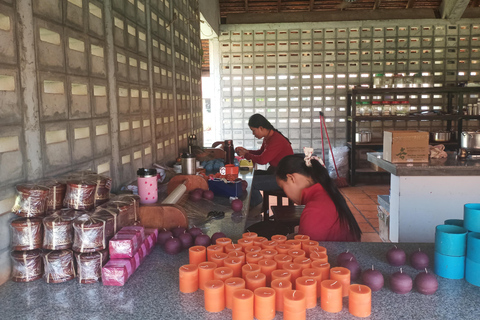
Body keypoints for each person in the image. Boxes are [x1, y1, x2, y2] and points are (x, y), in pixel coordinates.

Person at [275, 153, 362, 242]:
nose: (286, 194)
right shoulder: (326, 192)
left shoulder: (315, 209)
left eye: (282, 187)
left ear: (291, 178)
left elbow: (308, 250)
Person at [235, 114, 294, 208]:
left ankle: (258, 206)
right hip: (275, 172)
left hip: (283, 178)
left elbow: (263, 160)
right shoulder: (268, 137)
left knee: (251, 183)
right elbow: (260, 152)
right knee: (248, 177)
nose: (253, 134)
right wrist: (246, 151)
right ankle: (254, 205)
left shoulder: (276, 140)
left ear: (261, 128)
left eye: (253, 131)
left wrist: (246, 154)